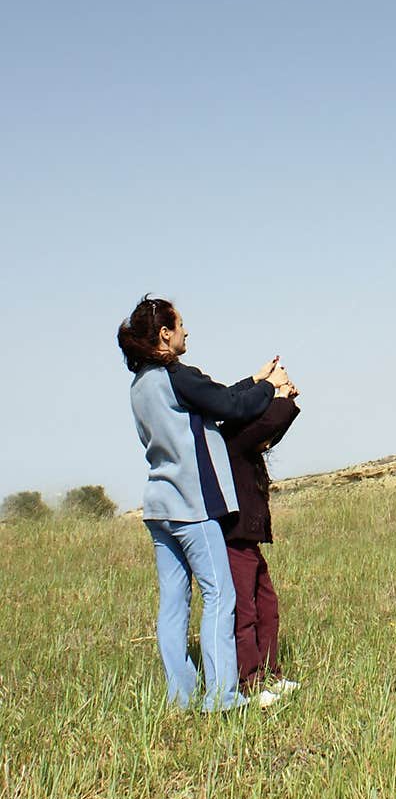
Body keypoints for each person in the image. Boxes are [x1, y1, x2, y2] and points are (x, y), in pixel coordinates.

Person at [117, 294, 289, 712]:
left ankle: (182, 697)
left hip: (158, 507)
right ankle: (223, 697)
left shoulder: (140, 385)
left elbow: (216, 396)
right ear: (164, 333)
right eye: (181, 325)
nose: (186, 331)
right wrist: (272, 387)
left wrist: (254, 379)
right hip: (191, 508)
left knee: (174, 605)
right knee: (220, 595)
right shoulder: (175, 373)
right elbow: (230, 406)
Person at [219, 379, 302, 697]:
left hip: (246, 540)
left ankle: (269, 675)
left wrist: (288, 405)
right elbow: (266, 426)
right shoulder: (233, 439)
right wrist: (281, 396)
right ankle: (250, 682)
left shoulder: (241, 439)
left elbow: (267, 434)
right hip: (235, 540)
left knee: (267, 605)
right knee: (246, 612)